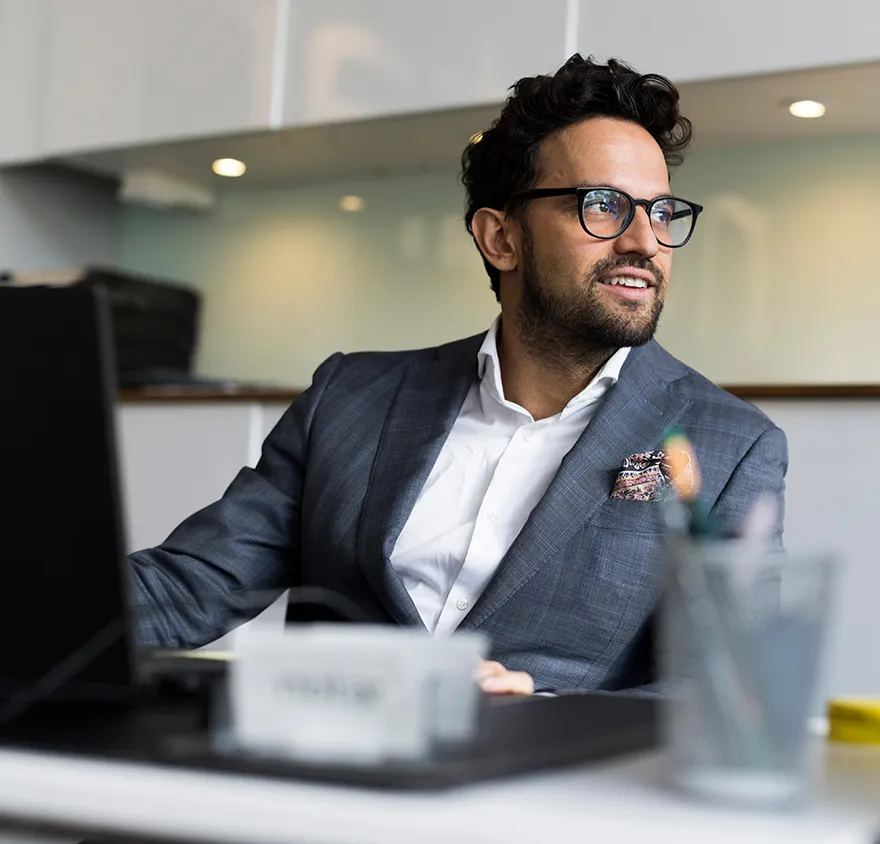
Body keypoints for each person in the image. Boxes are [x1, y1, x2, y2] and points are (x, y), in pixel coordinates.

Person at [129, 54, 787, 696]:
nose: (645, 241)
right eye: (605, 205)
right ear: (501, 239)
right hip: (324, 772)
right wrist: (36, 593)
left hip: (543, 793)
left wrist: (547, 715)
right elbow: (188, 588)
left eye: (662, 212)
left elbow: (720, 691)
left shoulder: (729, 444)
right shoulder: (349, 398)